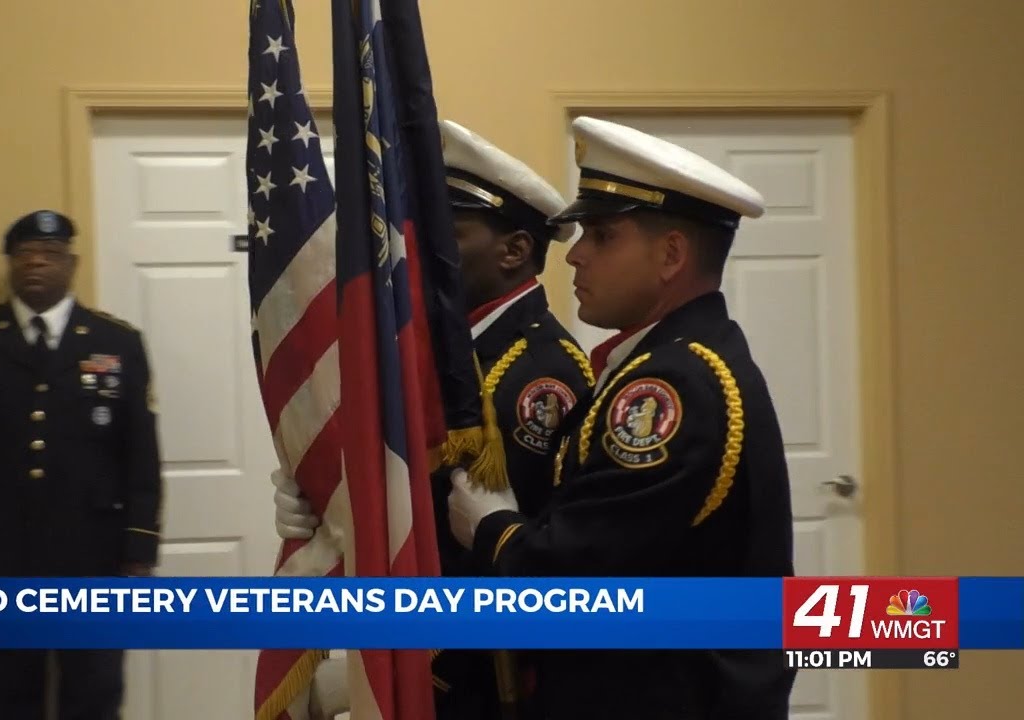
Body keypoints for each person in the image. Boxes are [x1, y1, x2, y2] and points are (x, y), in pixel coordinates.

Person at [446, 117, 797, 719]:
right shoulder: (666, 360)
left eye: (603, 237)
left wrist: (490, 526)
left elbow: (569, 578)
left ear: (671, 255)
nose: (576, 255)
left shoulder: (672, 387)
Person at [273, 120, 595, 719]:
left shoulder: (537, 376)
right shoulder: (449, 357)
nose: (414, 250)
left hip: (479, 680)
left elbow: (497, 566)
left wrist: (398, 669)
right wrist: (327, 509)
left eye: (449, 232)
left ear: (514, 251)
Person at [0, 209, 163, 720]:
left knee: (95, 691)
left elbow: (139, 452)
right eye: (24, 254)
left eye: (50, 254)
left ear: (71, 264)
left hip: (95, 555)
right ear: (9, 264)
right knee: (9, 692)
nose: (36, 263)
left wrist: (139, 545)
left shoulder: (115, 343)